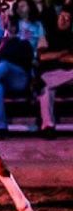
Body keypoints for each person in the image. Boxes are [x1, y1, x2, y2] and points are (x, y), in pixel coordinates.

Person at [0, 0, 47, 139]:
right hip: (8, 72)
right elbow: (0, 34)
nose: (20, 8)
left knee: (3, 66)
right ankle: (0, 128)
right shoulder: (11, 28)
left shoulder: (36, 26)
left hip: (24, 73)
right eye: (18, 6)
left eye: (23, 5)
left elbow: (42, 46)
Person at [36, 7, 73, 139]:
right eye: (62, 17)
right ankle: (48, 127)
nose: (65, 21)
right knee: (45, 90)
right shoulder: (46, 36)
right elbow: (43, 57)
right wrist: (62, 54)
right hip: (51, 72)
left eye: (68, 19)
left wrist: (56, 56)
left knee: (44, 84)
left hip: (68, 75)